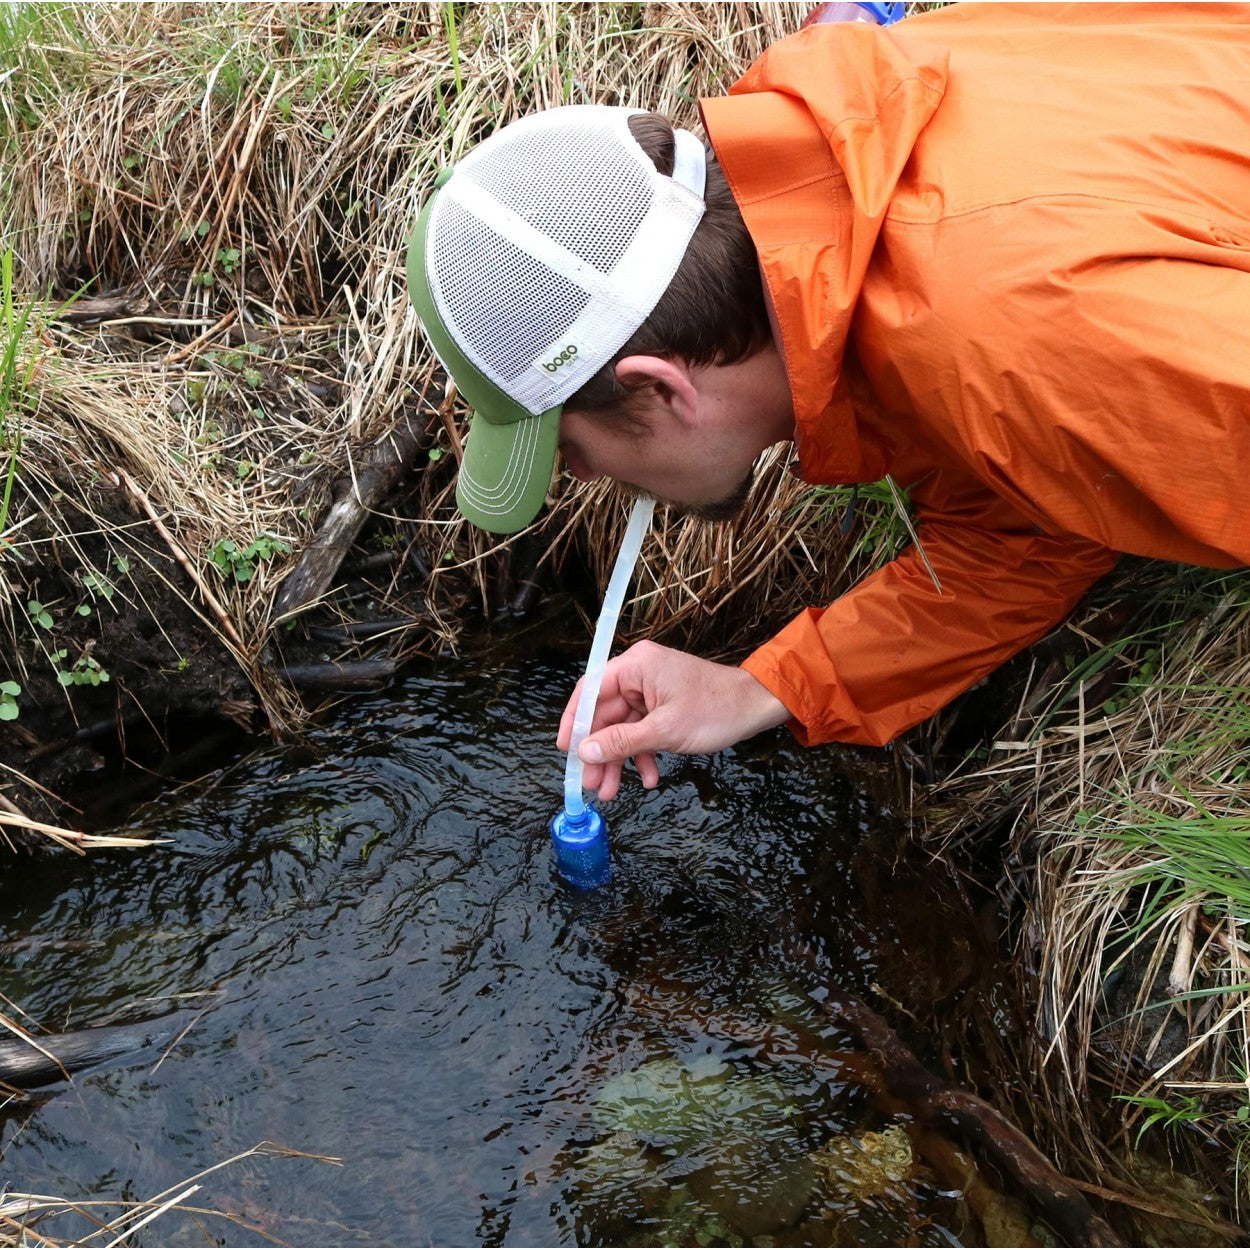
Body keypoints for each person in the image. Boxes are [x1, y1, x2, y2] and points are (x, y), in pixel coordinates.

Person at [407, 3, 1250, 804]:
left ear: (660, 386)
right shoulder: (840, 186)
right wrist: (760, 688)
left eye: (571, 451)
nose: (587, 478)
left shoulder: (1015, 342)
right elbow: (1037, 516)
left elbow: (1064, 392)